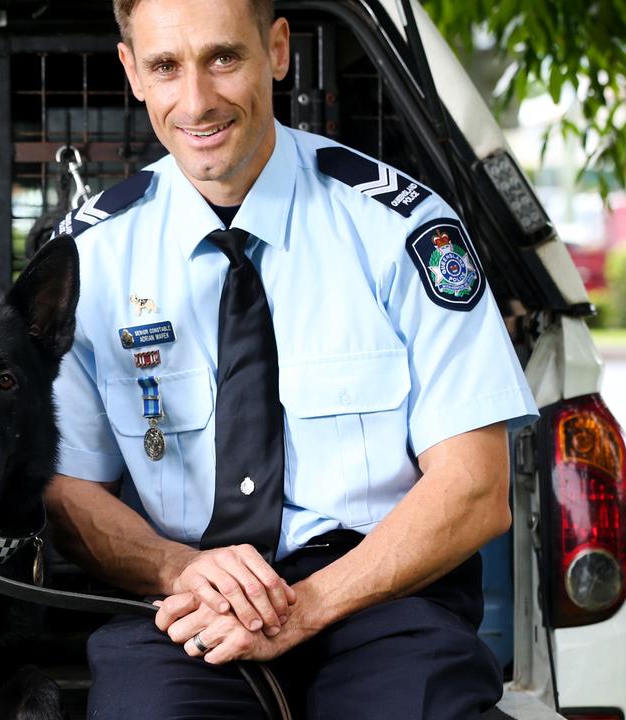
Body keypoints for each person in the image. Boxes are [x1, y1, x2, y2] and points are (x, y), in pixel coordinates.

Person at [43, 0, 539, 717]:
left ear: (276, 51)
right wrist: (179, 568)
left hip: (382, 601)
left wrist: (301, 607)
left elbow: (475, 486)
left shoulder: (401, 227)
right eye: (165, 67)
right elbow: (67, 492)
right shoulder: (91, 258)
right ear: (133, 74)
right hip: (189, 605)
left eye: (223, 58)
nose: (197, 101)